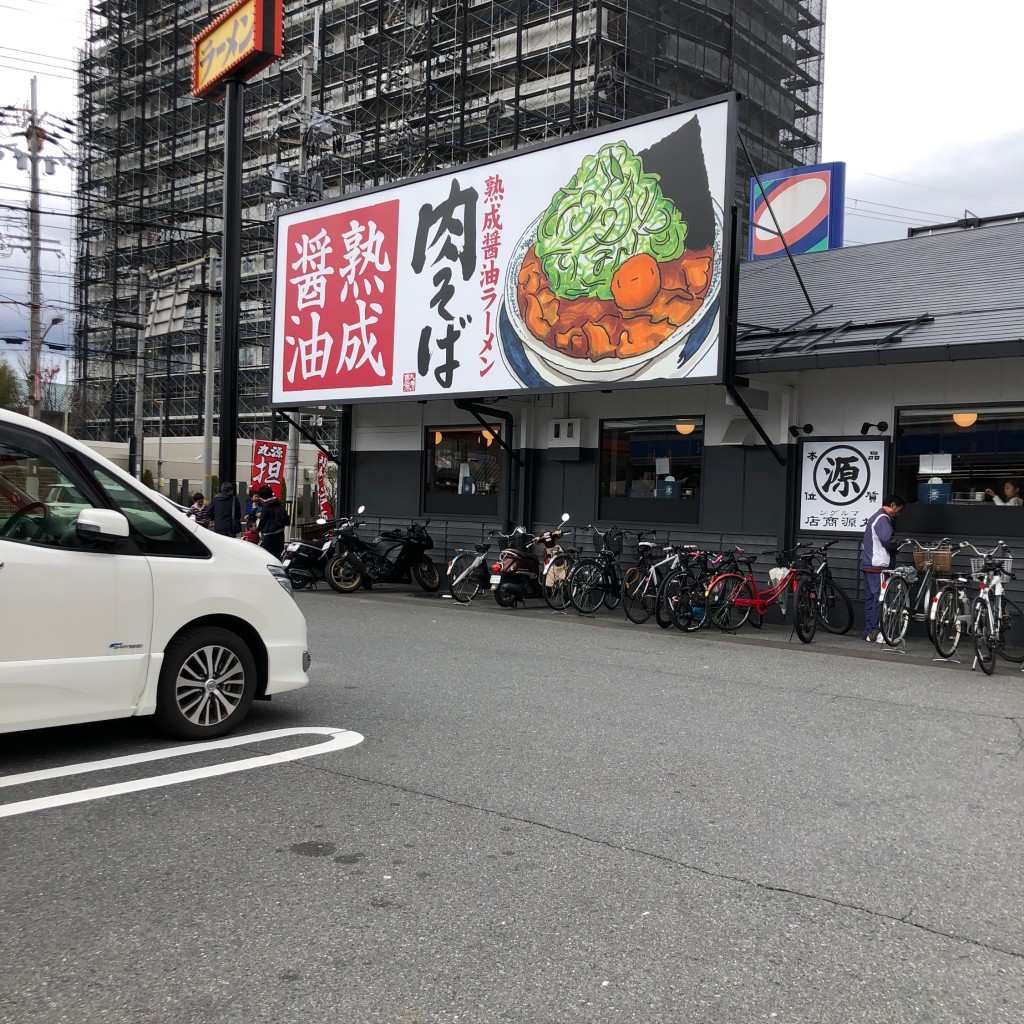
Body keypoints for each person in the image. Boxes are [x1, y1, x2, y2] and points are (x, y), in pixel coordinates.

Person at [861, 494, 905, 642]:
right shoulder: (883, 519)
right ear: (892, 505)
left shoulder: (875, 517)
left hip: (869, 564)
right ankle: (875, 632)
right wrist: (897, 544)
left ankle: (868, 632)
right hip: (879, 566)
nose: (898, 514)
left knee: (871, 599)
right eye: (898, 510)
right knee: (879, 599)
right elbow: (888, 541)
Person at [255, 483, 288, 559]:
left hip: (270, 533)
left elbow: (263, 519)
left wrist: (258, 529)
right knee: (277, 554)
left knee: (265, 554)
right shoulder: (278, 502)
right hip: (280, 531)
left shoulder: (267, 505)